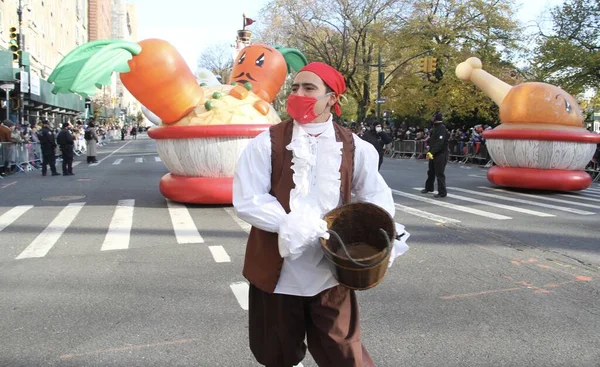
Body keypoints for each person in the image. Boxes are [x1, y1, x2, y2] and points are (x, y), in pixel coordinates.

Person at [233, 62, 409, 367]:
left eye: (309, 88)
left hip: (333, 269)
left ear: (331, 98)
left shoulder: (357, 148)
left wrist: (381, 232)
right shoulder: (265, 143)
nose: (298, 93)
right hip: (277, 268)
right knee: (276, 353)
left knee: (343, 353)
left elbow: (375, 197)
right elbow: (248, 198)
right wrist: (290, 224)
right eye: (295, 87)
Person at [421, 112, 449, 198]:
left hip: (441, 154)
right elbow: (433, 141)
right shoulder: (435, 128)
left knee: (439, 173)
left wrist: (432, 152)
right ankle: (429, 187)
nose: (432, 118)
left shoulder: (441, 128)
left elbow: (439, 143)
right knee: (431, 171)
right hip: (433, 153)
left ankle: (442, 192)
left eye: (433, 117)